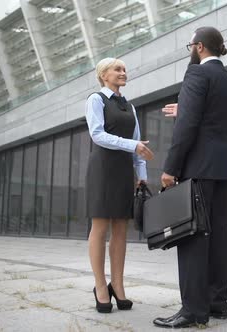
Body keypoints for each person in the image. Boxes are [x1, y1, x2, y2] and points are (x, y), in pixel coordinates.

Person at [153, 27, 227, 328]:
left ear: (199, 47)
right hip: (221, 166)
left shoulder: (196, 75)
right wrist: (185, 109)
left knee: (192, 237)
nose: (191, 50)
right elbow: (209, 117)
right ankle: (217, 304)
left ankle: (192, 311)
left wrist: (171, 167)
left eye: (191, 45)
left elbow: (188, 127)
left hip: (198, 167)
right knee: (217, 236)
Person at [85, 57, 154, 313]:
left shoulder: (130, 107)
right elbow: (97, 135)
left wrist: (142, 172)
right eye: (117, 69)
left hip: (125, 169)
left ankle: (119, 285)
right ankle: (101, 286)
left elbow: (137, 141)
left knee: (121, 229)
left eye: (125, 69)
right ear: (104, 74)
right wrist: (132, 146)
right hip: (103, 168)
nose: (123, 72)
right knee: (100, 226)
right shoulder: (96, 100)